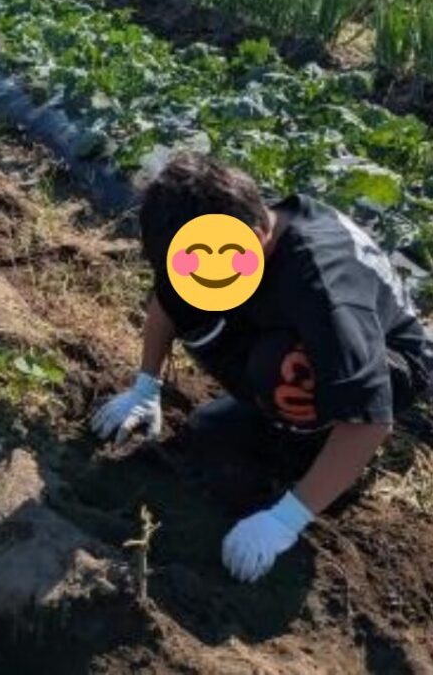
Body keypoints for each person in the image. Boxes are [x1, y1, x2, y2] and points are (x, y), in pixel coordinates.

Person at [92, 152, 433, 583]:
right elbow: (166, 300)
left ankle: (310, 447)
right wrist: (145, 387)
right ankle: (276, 417)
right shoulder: (223, 230)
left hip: (386, 361)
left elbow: (370, 420)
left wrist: (284, 521)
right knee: (211, 369)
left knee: (280, 368)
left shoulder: (323, 290)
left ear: (256, 236)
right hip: (291, 322)